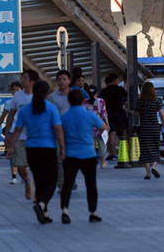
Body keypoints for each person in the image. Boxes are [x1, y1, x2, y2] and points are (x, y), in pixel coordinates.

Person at [8, 80, 65, 224]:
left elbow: (17, 130)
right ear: (47, 93)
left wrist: (11, 147)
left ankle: (44, 213)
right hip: (48, 149)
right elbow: (58, 129)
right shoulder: (51, 108)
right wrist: (63, 147)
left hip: (31, 149)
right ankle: (41, 204)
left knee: (39, 181)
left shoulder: (25, 110)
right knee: (51, 181)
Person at [59, 89, 104, 224]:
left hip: (70, 154)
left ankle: (65, 211)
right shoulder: (89, 115)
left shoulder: (64, 117)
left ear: (69, 101)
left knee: (67, 184)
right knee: (91, 185)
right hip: (88, 153)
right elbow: (104, 127)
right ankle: (93, 213)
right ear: (81, 101)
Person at [0, 71, 37, 199]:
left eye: (25, 78)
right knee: (20, 163)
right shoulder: (17, 98)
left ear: (32, 81)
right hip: (19, 136)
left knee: (36, 164)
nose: (23, 80)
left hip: (35, 136)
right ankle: (27, 180)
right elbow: (10, 115)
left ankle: (38, 191)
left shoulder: (38, 96)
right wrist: (6, 135)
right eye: (22, 78)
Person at [135, 82, 164, 179]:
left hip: (144, 128)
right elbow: (162, 115)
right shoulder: (156, 101)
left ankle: (148, 173)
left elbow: (137, 114)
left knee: (145, 149)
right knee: (155, 148)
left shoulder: (140, 102)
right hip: (154, 127)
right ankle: (154, 167)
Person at [0, 81, 23, 185]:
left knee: (23, 154)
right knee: (12, 153)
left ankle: (24, 174)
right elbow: (2, 117)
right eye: (13, 90)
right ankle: (14, 176)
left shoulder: (26, 102)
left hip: (23, 132)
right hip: (11, 132)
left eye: (17, 89)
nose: (15, 92)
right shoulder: (8, 103)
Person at [48, 70, 72, 188]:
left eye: (64, 79)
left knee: (72, 158)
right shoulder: (52, 97)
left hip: (73, 131)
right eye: (59, 79)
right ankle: (62, 183)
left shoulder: (75, 95)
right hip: (57, 131)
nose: (62, 82)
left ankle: (71, 181)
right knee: (60, 157)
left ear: (69, 81)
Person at [100, 73, 128, 160]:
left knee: (111, 133)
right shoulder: (120, 89)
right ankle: (126, 152)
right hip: (120, 113)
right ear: (114, 80)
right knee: (123, 133)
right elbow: (126, 101)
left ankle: (112, 154)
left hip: (109, 114)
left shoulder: (104, 91)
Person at [84, 84, 110, 168]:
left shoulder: (85, 102)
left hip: (88, 126)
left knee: (91, 144)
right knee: (102, 144)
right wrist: (107, 125)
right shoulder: (101, 101)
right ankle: (103, 162)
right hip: (99, 125)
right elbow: (104, 114)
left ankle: (91, 162)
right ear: (96, 92)